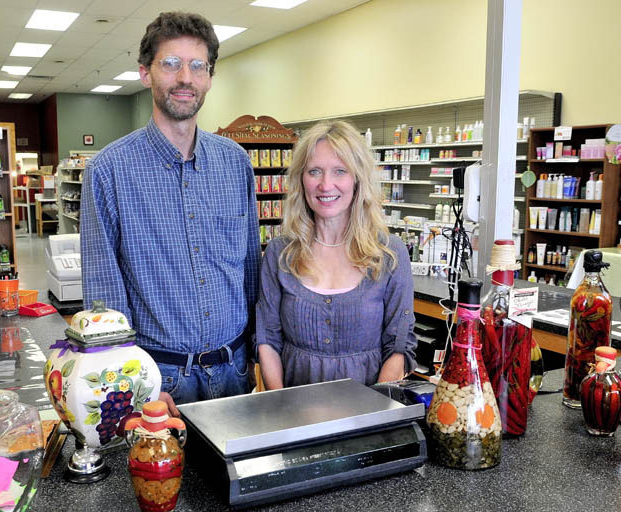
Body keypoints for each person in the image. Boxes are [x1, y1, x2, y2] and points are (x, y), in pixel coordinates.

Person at [80, 12, 260, 416]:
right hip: (159, 380)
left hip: (235, 372)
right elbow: (104, 296)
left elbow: (250, 268)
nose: (186, 78)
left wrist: (255, 352)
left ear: (210, 77)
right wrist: (133, 383)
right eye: (171, 64)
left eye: (198, 66)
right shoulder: (108, 171)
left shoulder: (236, 164)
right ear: (146, 73)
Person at [256, 121, 417, 389]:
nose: (325, 184)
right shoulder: (279, 254)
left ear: (357, 179)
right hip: (292, 415)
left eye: (340, 171)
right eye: (315, 171)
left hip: (368, 418)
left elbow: (398, 347)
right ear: (300, 179)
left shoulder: (389, 255)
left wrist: (373, 416)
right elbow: (267, 341)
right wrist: (280, 408)